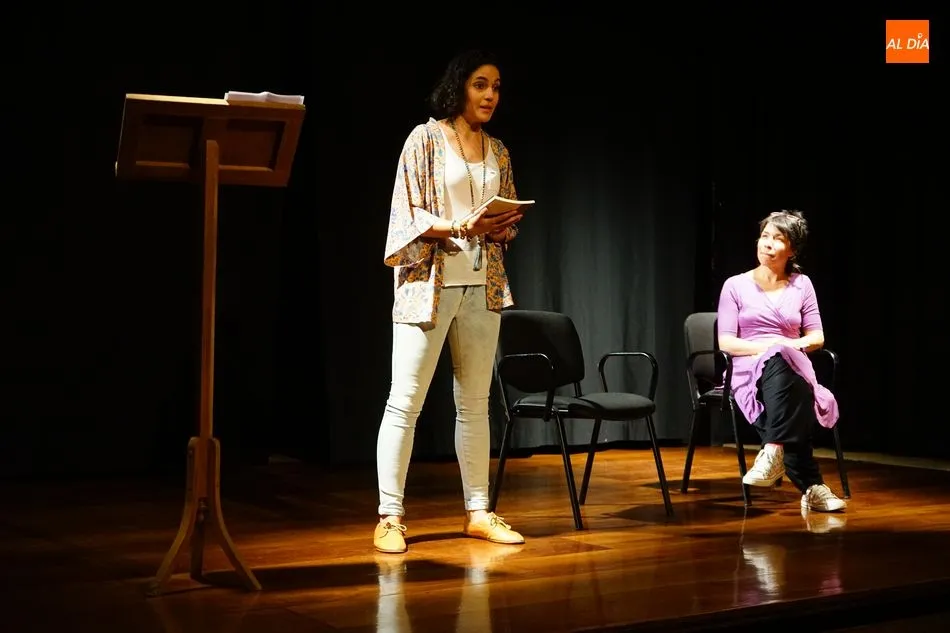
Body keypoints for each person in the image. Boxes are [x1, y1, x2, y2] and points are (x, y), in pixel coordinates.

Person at [374, 49, 528, 554]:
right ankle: (390, 515)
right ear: (460, 86)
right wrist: (462, 225)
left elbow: (500, 211)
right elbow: (408, 214)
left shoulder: (499, 150)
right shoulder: (425, 139)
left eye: (497, 87)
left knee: (476, 404)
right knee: (406, 403)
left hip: (482, 286)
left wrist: (504, 224)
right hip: (429, 286)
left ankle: (478, 511)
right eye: (481, 84)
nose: (490, 95)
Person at [716, 209, 847, 512]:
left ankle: (773, 450)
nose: (767, 244)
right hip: (748, 366)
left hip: (792, 359)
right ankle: (813, 486)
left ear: (792, 250)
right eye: (764, 236)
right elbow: (726, 343)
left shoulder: (803, 285)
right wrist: (768, 347)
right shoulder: (735, 285)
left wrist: (787, 344)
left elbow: (816, 338)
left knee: (788, 370)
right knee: (796, 388)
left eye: (777, 239)